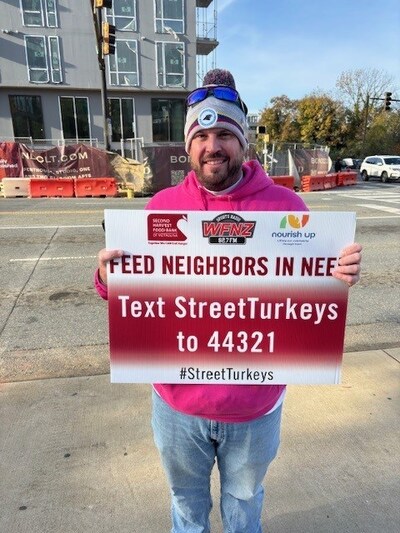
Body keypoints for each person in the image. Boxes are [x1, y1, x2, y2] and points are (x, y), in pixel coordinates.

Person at [95, 69, 362, 533]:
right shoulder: (161, 208)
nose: (212, 146)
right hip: (177, 405)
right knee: (186, 507)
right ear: (187, 145)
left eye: (224, 134)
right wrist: (105, 275)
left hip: (255, 408)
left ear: (244, 142)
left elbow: (312, 293)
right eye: (201, 134)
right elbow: (123, 291)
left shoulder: (287, 209)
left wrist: (337, 275)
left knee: (244, 506)